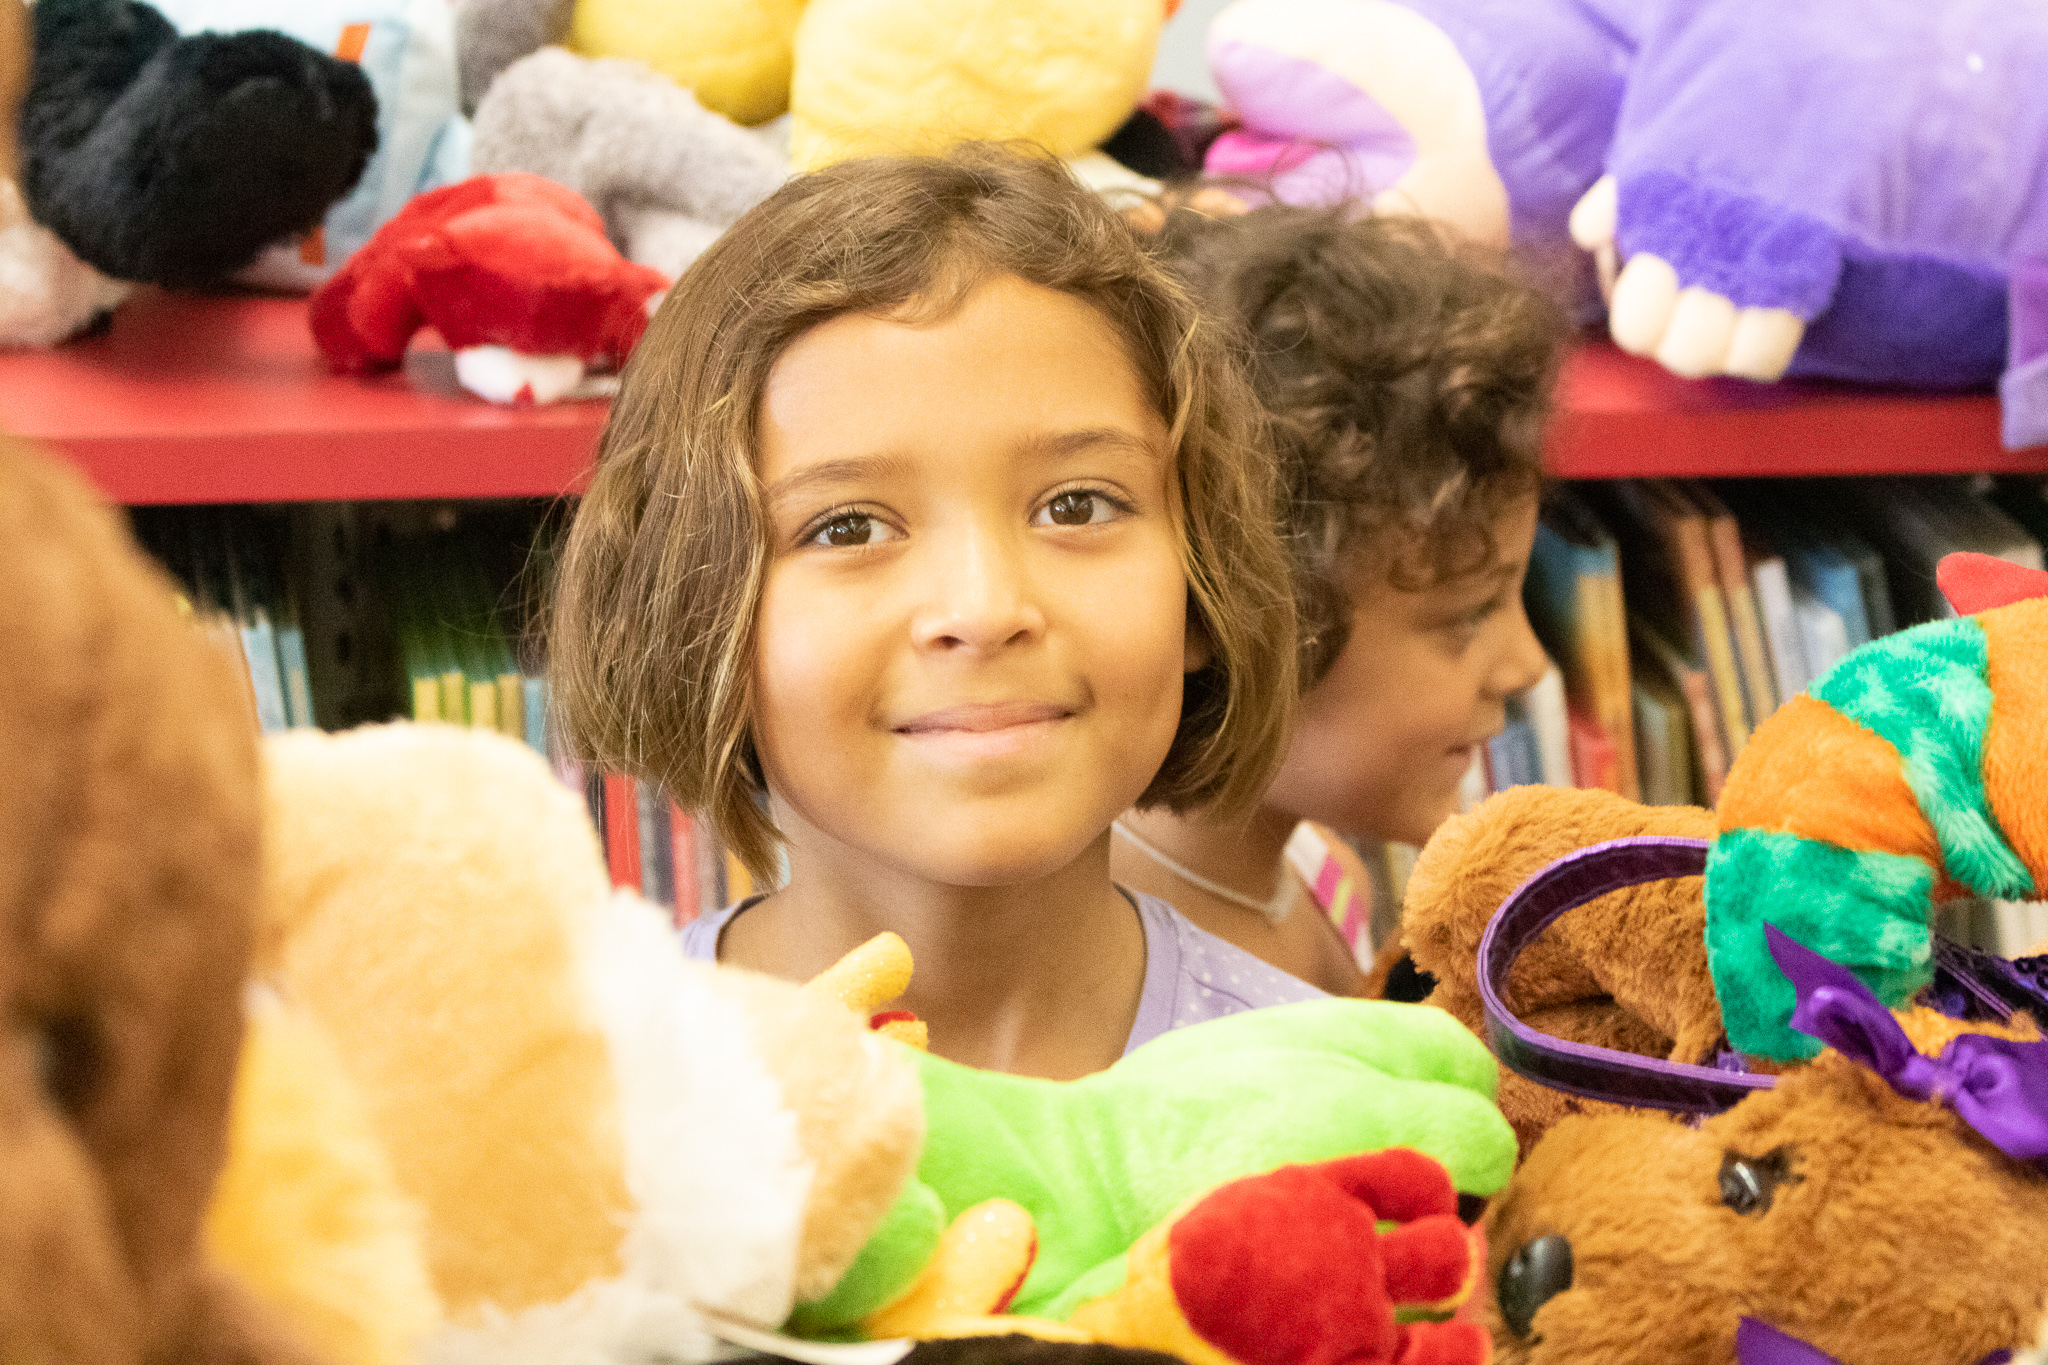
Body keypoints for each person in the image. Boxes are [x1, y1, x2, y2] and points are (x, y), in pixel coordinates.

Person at [548, 147, 1322, 1082]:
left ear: (1201, 586)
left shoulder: (1330, 1104)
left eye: (1076, 505)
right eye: (848, 526)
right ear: (693, 613)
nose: (985, 609)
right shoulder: (580, 1116)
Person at [1111, 203, 1564, 997]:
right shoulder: (1124, 979)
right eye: (1469, 614)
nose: (1529, 665)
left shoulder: (1323, 871)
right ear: (1255, 619)